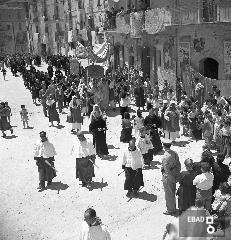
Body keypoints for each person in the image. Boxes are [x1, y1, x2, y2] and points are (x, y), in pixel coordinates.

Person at [161, 139, 181, 215]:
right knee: (172, 192)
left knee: (169, 194)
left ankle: (171, 210)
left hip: (168, 177)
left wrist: (171, 178)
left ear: (163, 146)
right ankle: (173, 207)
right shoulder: (175, 153)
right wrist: (176, 175)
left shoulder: (165, 156)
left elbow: (166, 170)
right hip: (174, 174)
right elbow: (178, 165)